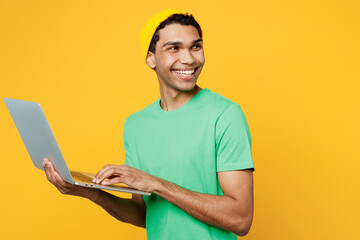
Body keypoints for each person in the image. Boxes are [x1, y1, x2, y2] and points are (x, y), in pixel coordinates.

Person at [43, 9, 255, 240]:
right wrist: (87, 192)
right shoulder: (136, 125)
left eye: (195, 46)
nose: (189, 58)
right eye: (174, 48)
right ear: (150, 58)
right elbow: (145, 214)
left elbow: (240, 219)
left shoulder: (224, 115)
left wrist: (156, 184)